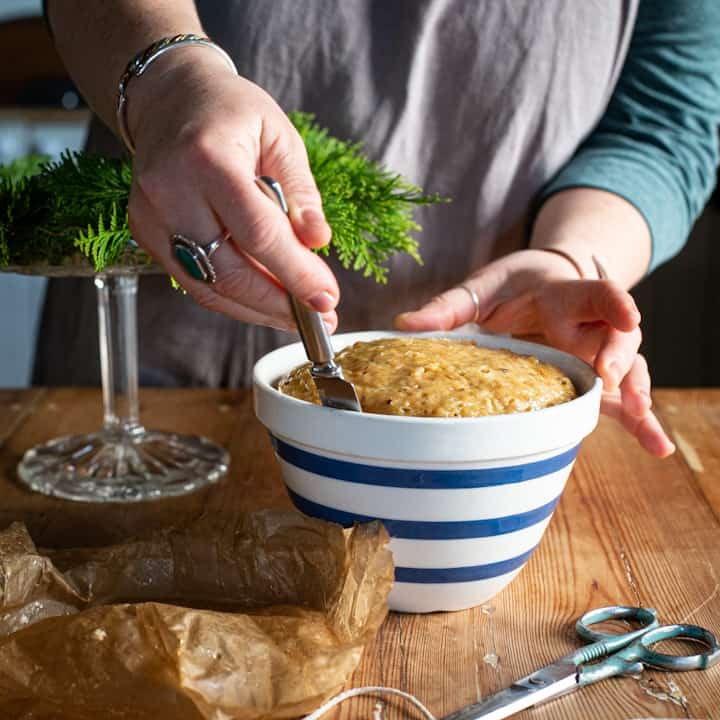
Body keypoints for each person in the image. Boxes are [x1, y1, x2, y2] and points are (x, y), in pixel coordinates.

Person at [38, 1, 720, 458]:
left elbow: (665, 118)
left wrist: (570, 259)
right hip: (160, 338)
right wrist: (171, 83)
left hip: (509, 354)